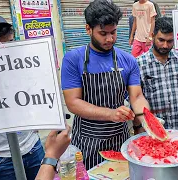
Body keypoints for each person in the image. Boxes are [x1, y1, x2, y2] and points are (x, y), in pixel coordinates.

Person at [61, 0, 150, 170]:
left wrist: (146, 118)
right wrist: (111, 114)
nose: (110, 39)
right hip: (86, 139)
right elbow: (73, 102)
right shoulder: (73, 59)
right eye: (103, 33)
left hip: (120, 138)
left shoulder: (128, 60)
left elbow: (136, 96)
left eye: (113, 32)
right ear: (88, 29)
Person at [0, 14, 45, 180]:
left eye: (10, 43)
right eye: (0, 45)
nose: (5, 51)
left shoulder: (21, 63)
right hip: (1, 159)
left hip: (33, 148)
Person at [137, 16, 178, 133]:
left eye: (170, 41)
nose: (165, 45)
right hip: (153, 130)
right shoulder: (140, 63)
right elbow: (136, 98)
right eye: (161, 40)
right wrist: (139, 126)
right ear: (153, 36)